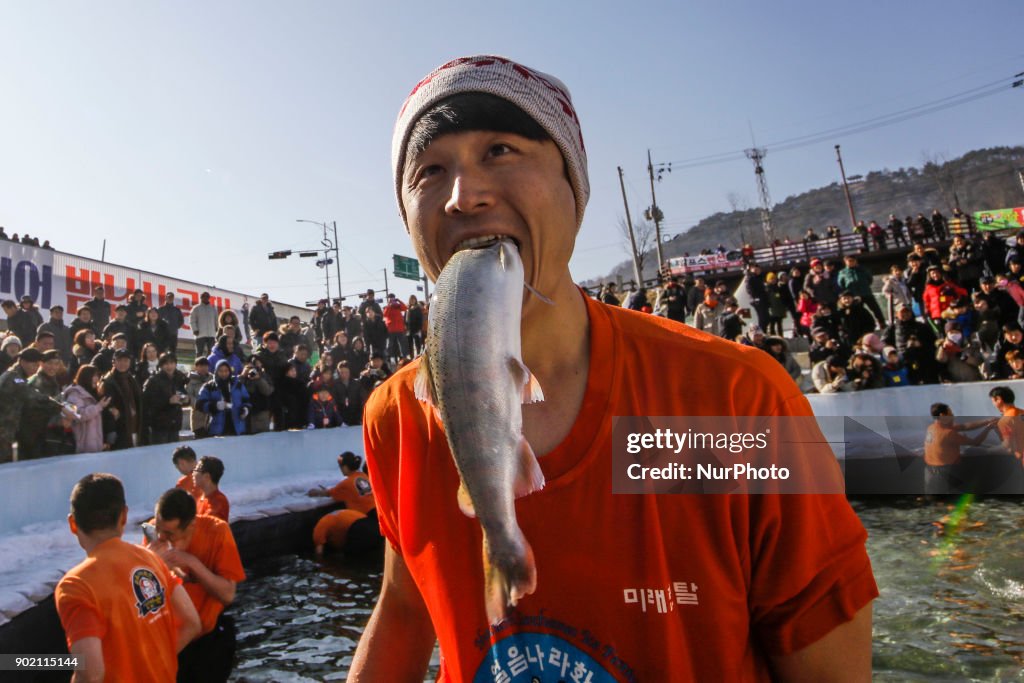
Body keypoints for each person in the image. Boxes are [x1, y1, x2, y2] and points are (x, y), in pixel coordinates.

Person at [350, 55, 876, 682]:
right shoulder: (397, 416)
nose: (465, 196)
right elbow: (406, 610)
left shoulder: (733, 398)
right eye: (430, 171)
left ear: (575, 189)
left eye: (501, 150)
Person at [55, 474, 201, 682]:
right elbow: (192, 623)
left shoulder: (76, 586)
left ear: (73, 524)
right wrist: (149, 662)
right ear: (124, 517)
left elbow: (91, 673)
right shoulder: (152, 560)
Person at [152, 488, 244, 683]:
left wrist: (192, 563)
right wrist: (152, 563)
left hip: (207, 637)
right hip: (174, 640)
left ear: (191, 525)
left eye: (169, 534)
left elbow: (228, 595)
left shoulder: (217, 531)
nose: (161, 537)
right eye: (158, 529)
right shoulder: (156, 536)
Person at [923, 404, 995, 494]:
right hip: (945, 472)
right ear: (942, 415)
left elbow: (964, 426)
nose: (953, 416)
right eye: (951, 414)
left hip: (929, 471)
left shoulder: (931, 428)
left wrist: (987, 421)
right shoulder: (949, 433)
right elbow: (976, 442)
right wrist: (988, 428)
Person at [62, 365, 112, 454]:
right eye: (94, 376)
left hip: (94, 443)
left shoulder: (93, 393)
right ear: (86, 377)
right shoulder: (75, 394)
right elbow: (78, 415)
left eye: (97, 376)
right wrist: (99, 407)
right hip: (83, 444)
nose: (97, 379)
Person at [308, 451, 376, 513]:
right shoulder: (364, 475)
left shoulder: (346, 483)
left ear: (345, 467)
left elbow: (328, 493)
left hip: (365, 516)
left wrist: (315, 492)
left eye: (340, 466)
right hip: (376, 510)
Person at [196, 360, 251, 437]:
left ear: (229, 371)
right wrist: (215, 406)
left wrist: (245, 409)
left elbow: (247, 400)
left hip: (237, 428)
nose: (224, 373)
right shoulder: (209, 386)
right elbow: (199, 404)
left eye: (226, 371)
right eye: (221, 371)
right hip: (216, 428)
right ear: (216, 372)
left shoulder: (238, 385)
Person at [143, 352, 189, 445]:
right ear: (161, 365)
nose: (169, 366)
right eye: (166, 364)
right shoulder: (154, 380)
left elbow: (183, 394)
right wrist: (168, 401)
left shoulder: (179, 378)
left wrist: (186, 399)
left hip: (175, 424)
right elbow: (147, 402)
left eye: (172, 363)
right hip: (159, 425)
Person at [989, 386, 1024, 466]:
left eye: (993, 401)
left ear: (998, 399)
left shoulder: (1005, 420)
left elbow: (1008, 447)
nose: (993, 404)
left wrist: (988, 450)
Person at [193, 455, 230, 522]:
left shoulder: (219, 500)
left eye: (196, 470)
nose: (193, 473)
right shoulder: (200, 499)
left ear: (207, 476)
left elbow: (206, 523)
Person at [186, 358, 213, 438]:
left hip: (211, 413)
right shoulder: (190, 380)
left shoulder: (212, 378)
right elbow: (189, 395)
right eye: (201, 366)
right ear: (196, 367)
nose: (203, 368)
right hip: (197, 414)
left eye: (205, 366)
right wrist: (198, 404)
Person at [189, 292, 219, 358]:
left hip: (211, 334)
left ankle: (209, 366)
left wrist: (216, 328)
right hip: (200, 334)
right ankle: (198, 366)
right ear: (201, 298)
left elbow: (216, 320)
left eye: (207, 297)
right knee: (199, 352)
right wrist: (195, 329)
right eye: (203, 296)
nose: (205, 298)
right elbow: (192, 320)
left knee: (211, 352)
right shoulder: (196, 308)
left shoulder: (213, 309)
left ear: (209, 298)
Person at [382, 293, 409, 363]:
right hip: (391, 330)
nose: (392, 300)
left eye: (393, 298)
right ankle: (391, 357)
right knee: (390, 345)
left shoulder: (398, 306)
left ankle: (404, 357)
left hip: (400, 329)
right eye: (390, 298)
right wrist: (389, 305)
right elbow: (385, 315)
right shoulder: (387, 307)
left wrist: (399, 301)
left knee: (402, 344)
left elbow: (405, 308)